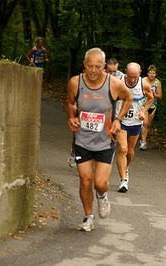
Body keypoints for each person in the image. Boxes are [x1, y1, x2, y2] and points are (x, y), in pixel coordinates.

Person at [66, 48, 132, 232]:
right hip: (82, 140)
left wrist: (118, 119)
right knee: (85, 180)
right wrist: (71, 117)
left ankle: (102, 196)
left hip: (105, 140)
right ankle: (88, 217)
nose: (93, 70)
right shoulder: (75, 82)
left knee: (99, 183)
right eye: (90, 66)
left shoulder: (114, 84)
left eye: (97, 66)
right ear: (84, 65)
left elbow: (128, 98)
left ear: (103, 66)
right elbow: (70, 102)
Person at [116, 63, 154, 192]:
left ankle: (125, 169)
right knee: (123, 148)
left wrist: (143, 112)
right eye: (130, 76)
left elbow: (151, 98)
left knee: (130, 151)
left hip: (135, 122)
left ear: (140, 73)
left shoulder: (143, 84)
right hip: (120, 120)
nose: (132, 80)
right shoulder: (118, 82)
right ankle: (123, 180)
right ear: (125, 72)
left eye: (135, 77)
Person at [139, 65, 163, 150]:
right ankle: (143, 142)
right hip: (143, 104)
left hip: (153, 105)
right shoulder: (142, 80)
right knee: (145, 123)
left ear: (156, 74)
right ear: (147, 73)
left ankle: (143, 139)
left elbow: (160, 96)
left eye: (153, 73)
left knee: (148, 125)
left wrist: (152, 94)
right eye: (150, 73)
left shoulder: (157, 82)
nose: (152, 75)